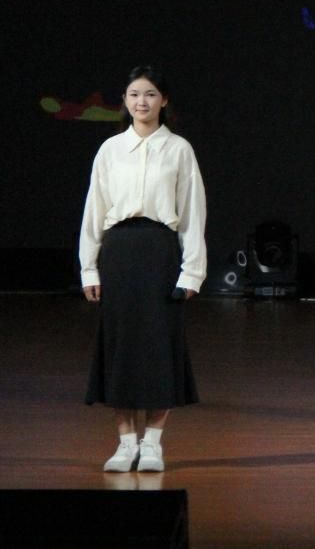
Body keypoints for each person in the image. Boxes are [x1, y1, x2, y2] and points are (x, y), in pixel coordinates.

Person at [80, 66, 207, 472]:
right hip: (118, 253)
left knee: (159, 346)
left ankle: (152, 443)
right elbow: (94, 210)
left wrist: (192, 271)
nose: (142, 102)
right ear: (124, 99)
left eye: (150, 94)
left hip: (159, 252)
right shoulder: (111, 150)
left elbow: (192, 212)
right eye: (134, 94)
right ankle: (125, 443)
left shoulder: (179, 149)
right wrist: (89, 269)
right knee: (120, 347)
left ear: (163, 100)